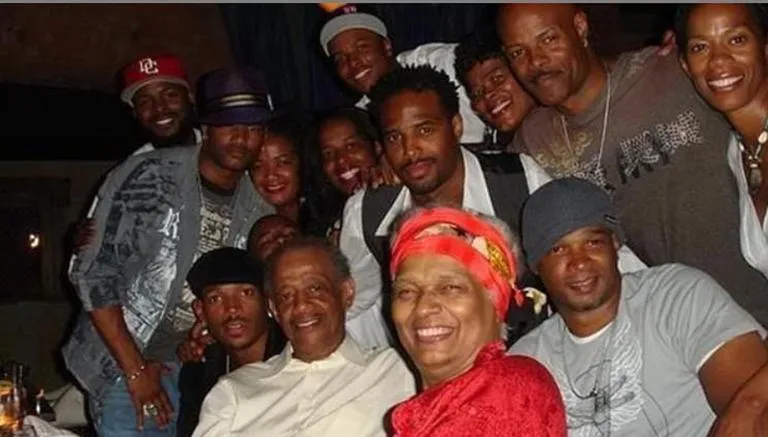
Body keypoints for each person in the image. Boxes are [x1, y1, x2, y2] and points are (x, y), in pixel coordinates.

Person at [497, 4, 768, 326]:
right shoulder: (532, 141)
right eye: (518, 52)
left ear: (580, 27)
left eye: (548, 39)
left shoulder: (668, 68)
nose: (536, 62)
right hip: (688, 329)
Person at [339, 65, 646, 348]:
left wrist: (652, 308)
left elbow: (599, 251)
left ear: (456, 126)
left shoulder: (516, 181)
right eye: (395, 137)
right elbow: (352, 305)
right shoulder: (368, 214)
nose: (410, 150)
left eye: (425, 130)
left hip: (537, 355)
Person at [61, 67, 274, 437]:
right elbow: (93, 273)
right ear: (206, 128)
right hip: (120, 362)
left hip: (194, 370)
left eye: (253, 128)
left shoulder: (258, 209)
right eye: (229, 126)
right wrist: (136, 370)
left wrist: (204, 335)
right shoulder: (149, 174)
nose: (242, 138)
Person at [510, 177, 768, 436]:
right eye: (558, 249)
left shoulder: (674, 297)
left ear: (615, 244)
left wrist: (751, 406)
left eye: (593, 242)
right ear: (536, 266)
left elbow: (753, 415)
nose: (579, 262)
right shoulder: (526, 364)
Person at [192, 237, 416, 437]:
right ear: (274, 309)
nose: (301, 306)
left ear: (346, 293)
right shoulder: (235, 391)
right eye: (286, 295)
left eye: (315, 288)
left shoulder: (397, 370)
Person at [387, 205, 567, 437]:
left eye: (450, 288)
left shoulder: (513, 391)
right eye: (406, 292)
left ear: (496, 304)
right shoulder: (426, 410)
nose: (423, 307)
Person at [676, 4, 768, 280]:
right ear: (685, 65)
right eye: (700, 47)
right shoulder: (736, 152)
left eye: (737, 39)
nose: (718, 60)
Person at [319, 3, 486, 145]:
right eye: (340, 58)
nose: (352, 62)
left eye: (362, 48)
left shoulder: (442, 62)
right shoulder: (361, 121)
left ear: (386, 46)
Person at [176, 247, 286, 437]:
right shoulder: (199, 374)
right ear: (201, 311)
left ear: (267, 302)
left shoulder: (295, 357)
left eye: (246, 293)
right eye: (216, 298)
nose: (232, 308)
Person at [306, 107, 397, 241]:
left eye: (351, 146)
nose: (341, 160)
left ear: (377, 147)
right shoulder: (326, 231)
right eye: (328, 154)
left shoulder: (405, 195)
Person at [454, 29, 537, 154]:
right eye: (477, 94)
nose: (488, 94)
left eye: (497, 79)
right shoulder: (484, 157)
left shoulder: (561, 123)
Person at [119, 54, 202, 154]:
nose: (159, 108)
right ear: (135, 112)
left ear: (190, 98)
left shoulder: (216, 146)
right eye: (145, 102)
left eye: (170, 95)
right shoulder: (135, 163)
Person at [250, 113, 309, 226]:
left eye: (282, 162)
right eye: (258, 166)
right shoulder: (246, 224)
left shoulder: (330, 215)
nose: (270, 175)